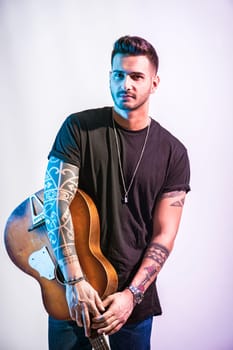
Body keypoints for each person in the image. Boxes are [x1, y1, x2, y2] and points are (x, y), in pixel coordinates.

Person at [43, 35, 190, 350]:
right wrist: (74, 282)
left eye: (137, 76)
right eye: (118, 75)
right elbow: (56, 206)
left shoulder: (173, 153)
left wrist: (131, 296)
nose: (126, 83)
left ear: (154, 83)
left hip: (131, 303)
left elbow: (164, 236)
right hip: (74, 295)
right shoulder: (78, 129)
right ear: (109, 76)